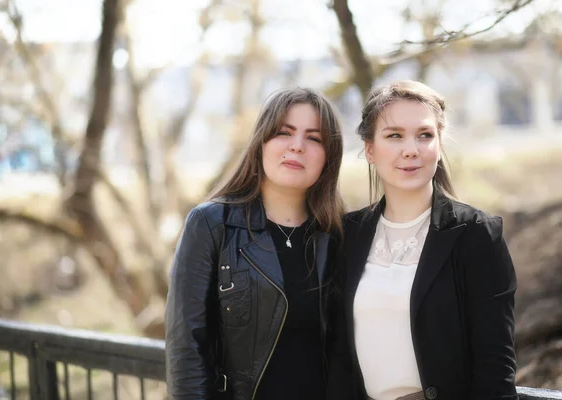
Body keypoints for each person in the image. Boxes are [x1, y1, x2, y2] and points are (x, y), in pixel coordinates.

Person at [333, 80, 518, 400]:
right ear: (370, 149)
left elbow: (495, 368)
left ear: (439, 143)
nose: (411, 149)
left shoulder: (475, 235)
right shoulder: (346, 235)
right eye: (394, 136)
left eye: (424, 135)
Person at [164, 87, 344, 400]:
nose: (297, 146)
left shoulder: (338, 235)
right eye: (284, 133)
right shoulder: (212, 224)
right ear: (261, 141)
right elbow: (186, 349)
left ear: (328, 157)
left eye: (314, 138)